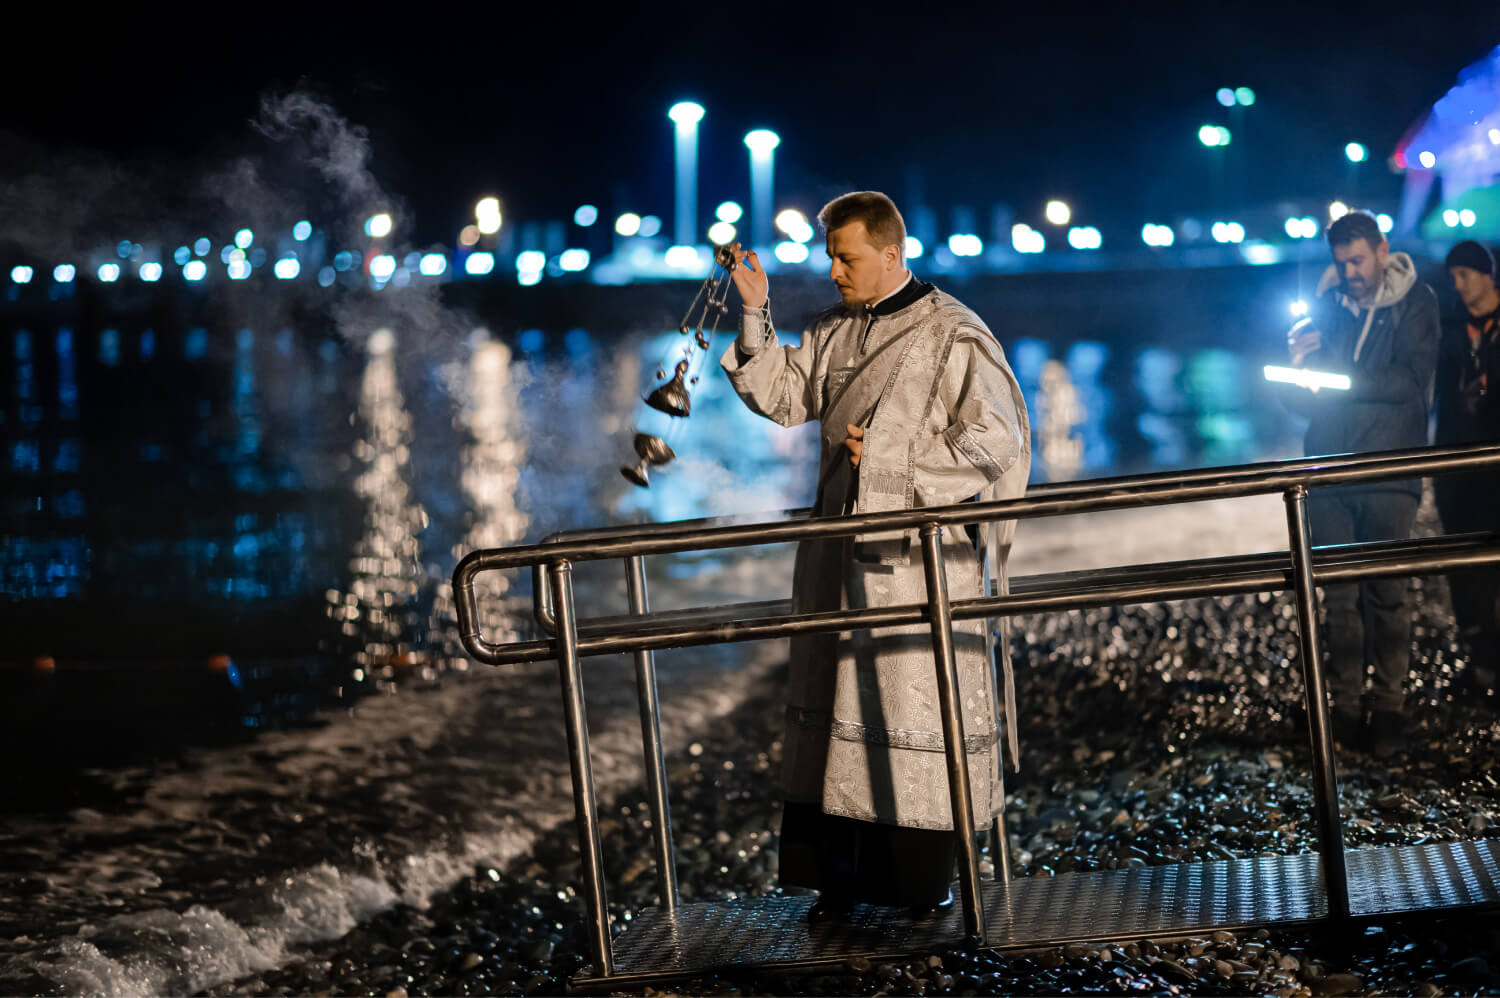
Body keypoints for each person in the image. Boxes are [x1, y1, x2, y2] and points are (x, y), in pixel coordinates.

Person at [721, 191, 1031, 920]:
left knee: (907, 715)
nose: (834, 271)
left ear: (893, 253)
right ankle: (840, 885)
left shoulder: (954, 334)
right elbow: (787, 400)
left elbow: (997, 443)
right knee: (836, 713)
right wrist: (754, 310)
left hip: (919, 568)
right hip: (838, 561)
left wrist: (896, 458)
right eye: (830, 256)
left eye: (847, 256)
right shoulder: (833, 330)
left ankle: (920, 889)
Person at [1281, 209, 1439, 757]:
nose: (1349, 271)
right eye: (1340, 262)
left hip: (1391, 472)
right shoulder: (1325, 310)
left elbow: (1410, 383)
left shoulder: (1418, 302)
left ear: (1381, 249)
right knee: (1339, 598)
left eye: (1357, 260)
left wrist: (1337, 379)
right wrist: (1297, 366)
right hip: (1328, 469)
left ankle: (1389, 708)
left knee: (1388, 594)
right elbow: (1301, 402)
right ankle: (1346, 709)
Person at [1433, 240, 1500, 700]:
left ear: (1486, 274)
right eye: (1453, 276)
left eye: (1464, 275)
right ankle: (1483, 665)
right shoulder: (1449, 328)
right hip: (1458, 462)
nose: (1458, 285)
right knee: (1464, 567)